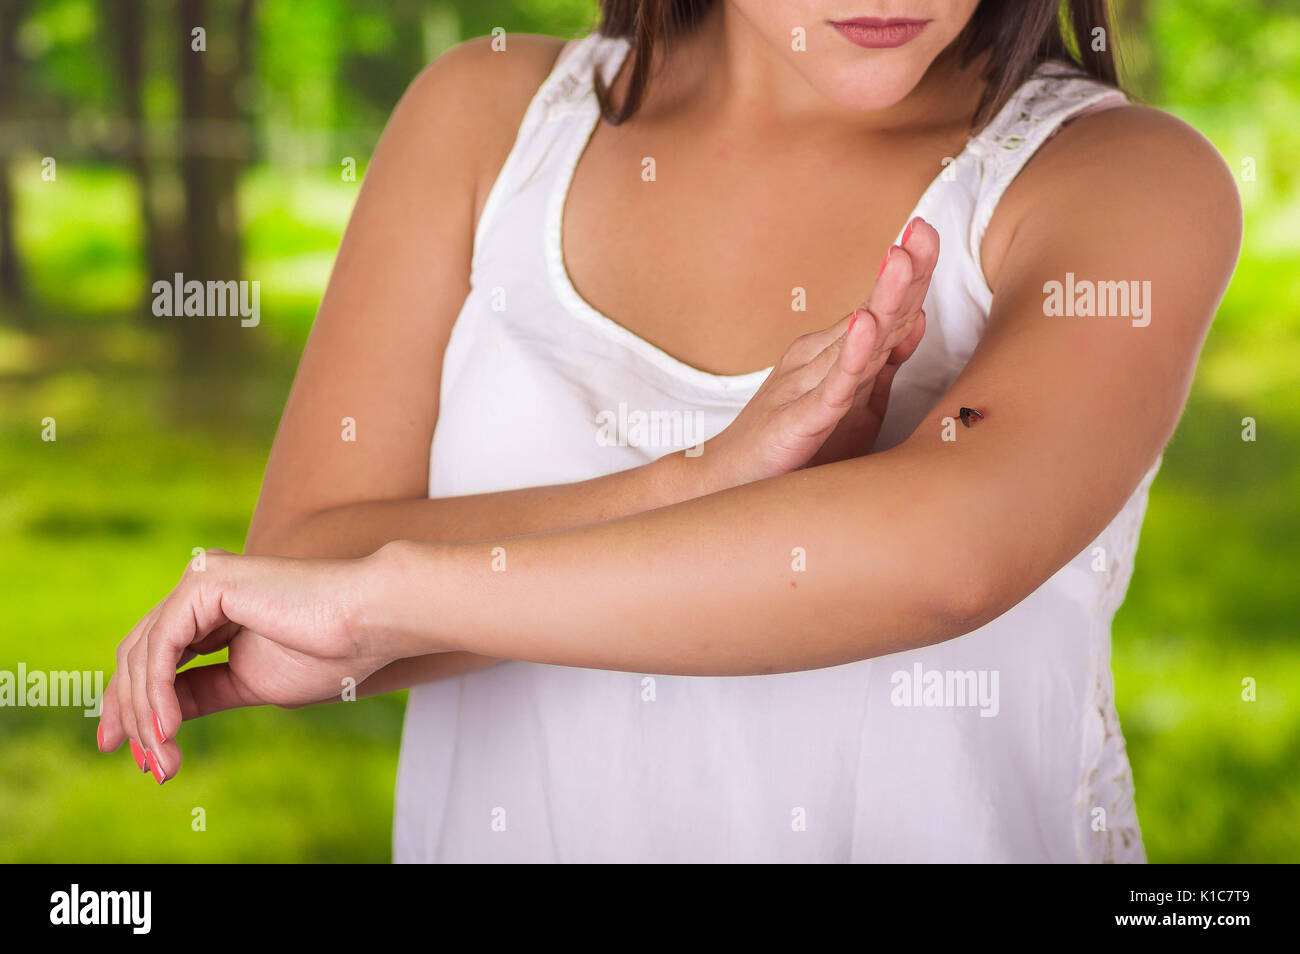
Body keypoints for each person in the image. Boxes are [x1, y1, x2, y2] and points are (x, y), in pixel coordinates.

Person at [97, 0, 1241, 862]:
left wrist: (393, 596)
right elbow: (302, 571)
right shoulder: (484, 117)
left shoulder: (1121, 178)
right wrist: (701, 476)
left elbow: (945, 554)